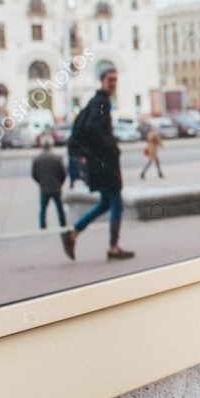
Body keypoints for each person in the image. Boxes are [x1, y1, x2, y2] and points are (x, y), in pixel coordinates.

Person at [62, 67, 134, 260]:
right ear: (102, 81)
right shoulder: (101, 103)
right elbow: (92, 127)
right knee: (116, 203)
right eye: (110, 79)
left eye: (115, 80)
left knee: (105, 203)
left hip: (101, 161)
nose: (113, 83)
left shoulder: (98, 102)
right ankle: (113, 247)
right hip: (105, 163)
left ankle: (73, 233)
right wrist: (110, 145)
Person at [32, 137, 67, 230]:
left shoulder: (37, 159)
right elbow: (63, 173)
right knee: (60, 209)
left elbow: (34, 174)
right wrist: (60, 183)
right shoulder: (57, 158)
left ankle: (43, 227)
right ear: (51, 146)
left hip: (44, 188)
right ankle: (63, 225)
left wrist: (41, 182)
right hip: (56, 187)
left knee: (43, 209)